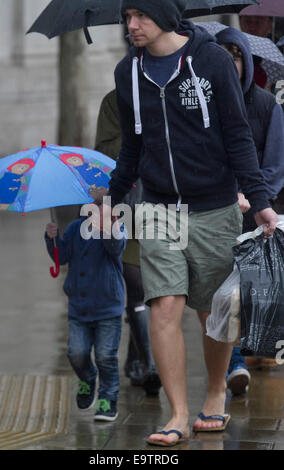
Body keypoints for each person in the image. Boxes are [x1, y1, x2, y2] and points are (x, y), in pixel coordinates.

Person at [99, 0, 280, 446]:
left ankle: (215, 392)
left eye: (139, 16)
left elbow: (238, 135)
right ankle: (177, 414)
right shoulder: (129, 73)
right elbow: (132, 149)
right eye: (127, 17)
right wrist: (111, 198)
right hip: (158, 208)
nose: (131, 25)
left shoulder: (212, 61)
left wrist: (259, 202)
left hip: (214, 206)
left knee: (212, 311)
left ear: (163, 16)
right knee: (164, 304)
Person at [216, 28, 284, 388]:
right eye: (222, 53)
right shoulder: (205, 106)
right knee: (220, 289)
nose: (229, 60)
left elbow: (274, 164)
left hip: (254, 210)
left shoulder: (265, 105)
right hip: (213, 207)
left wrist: (256, 199)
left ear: (246, 60)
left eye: (236, 54)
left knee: (246, 289)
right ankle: (234, 364)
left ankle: (249, 353)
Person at [95, 89, 161, 396]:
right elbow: (105, 149)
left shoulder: (174, 93)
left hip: (169, 201)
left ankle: (137, 356)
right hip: (129, 202)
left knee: (158, 286)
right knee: (135, 282)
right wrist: (140, 134)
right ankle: (150, 365)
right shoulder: (114, 101)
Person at [44, 209, 126, 421]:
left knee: (105, 356)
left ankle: (107, 399)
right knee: (76, 353)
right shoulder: (73, 229)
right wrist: (52, 239)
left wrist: (110, 228)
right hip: (79, 306)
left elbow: (116, 248)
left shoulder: (114, 228)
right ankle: (88, 377)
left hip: (108, 306)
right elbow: (61, 257)